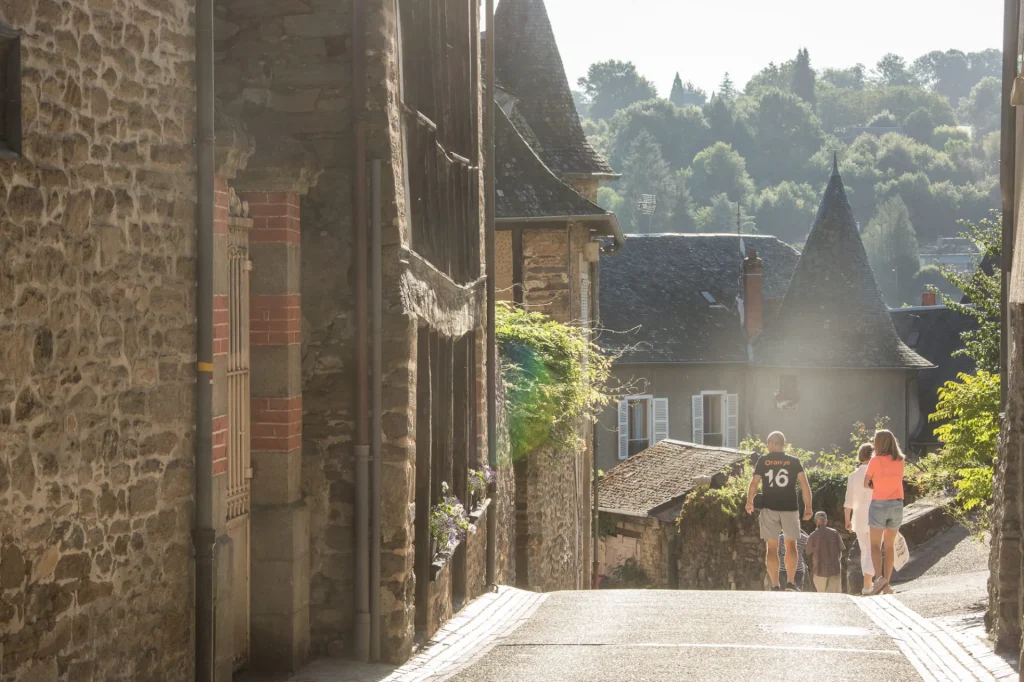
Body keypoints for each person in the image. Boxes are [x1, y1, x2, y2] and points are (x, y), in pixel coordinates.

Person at [746, 431, 813, 591]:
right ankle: (790, 583)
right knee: (791, 546)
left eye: (769, 443)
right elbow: (804, 484)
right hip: (790, 508)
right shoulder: (793, 461)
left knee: (772, 547)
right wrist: (808, 506)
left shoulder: (763, 461)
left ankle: (775, 585)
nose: (768, 445)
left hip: (769, 508)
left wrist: (749, 502)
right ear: (784, 445)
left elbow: (754, 483)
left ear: (772, 444)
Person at [864, 429, 906, 596]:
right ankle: (887, 585)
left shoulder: (875, 461)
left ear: (879, 443)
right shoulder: (901, 460)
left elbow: (867, 483)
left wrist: (875, 483)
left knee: (875, 544)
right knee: (889, 546)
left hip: (879, 504)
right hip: (897, 504)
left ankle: (879, 578)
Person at [844, 443, 877, 594]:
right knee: (874, 549)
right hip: (876, 514)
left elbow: (848, 500)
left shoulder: (853, 476)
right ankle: (868, 584)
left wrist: (847, 520)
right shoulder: (876, 473)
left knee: (865, 550)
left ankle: (868, 583)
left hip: (858, 516)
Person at [805, 511, 845, 593]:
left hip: (819, 570)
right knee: (833, 597)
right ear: (826, 521)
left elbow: (808, 552)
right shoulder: (835, 533)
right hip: (835, 569)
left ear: (816, 522)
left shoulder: (813, 535)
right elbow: (841, 550)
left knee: (822, 597)